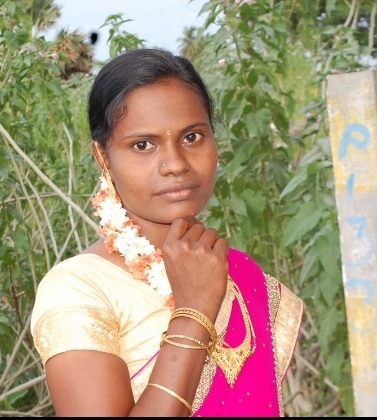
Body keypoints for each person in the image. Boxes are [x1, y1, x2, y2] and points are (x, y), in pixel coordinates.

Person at [30, 48, 303, 417]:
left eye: (192, 137)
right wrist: (194, 311)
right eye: (143, 145)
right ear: (103, 157)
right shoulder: (78, 288)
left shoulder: (236, 272)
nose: (175, 164)